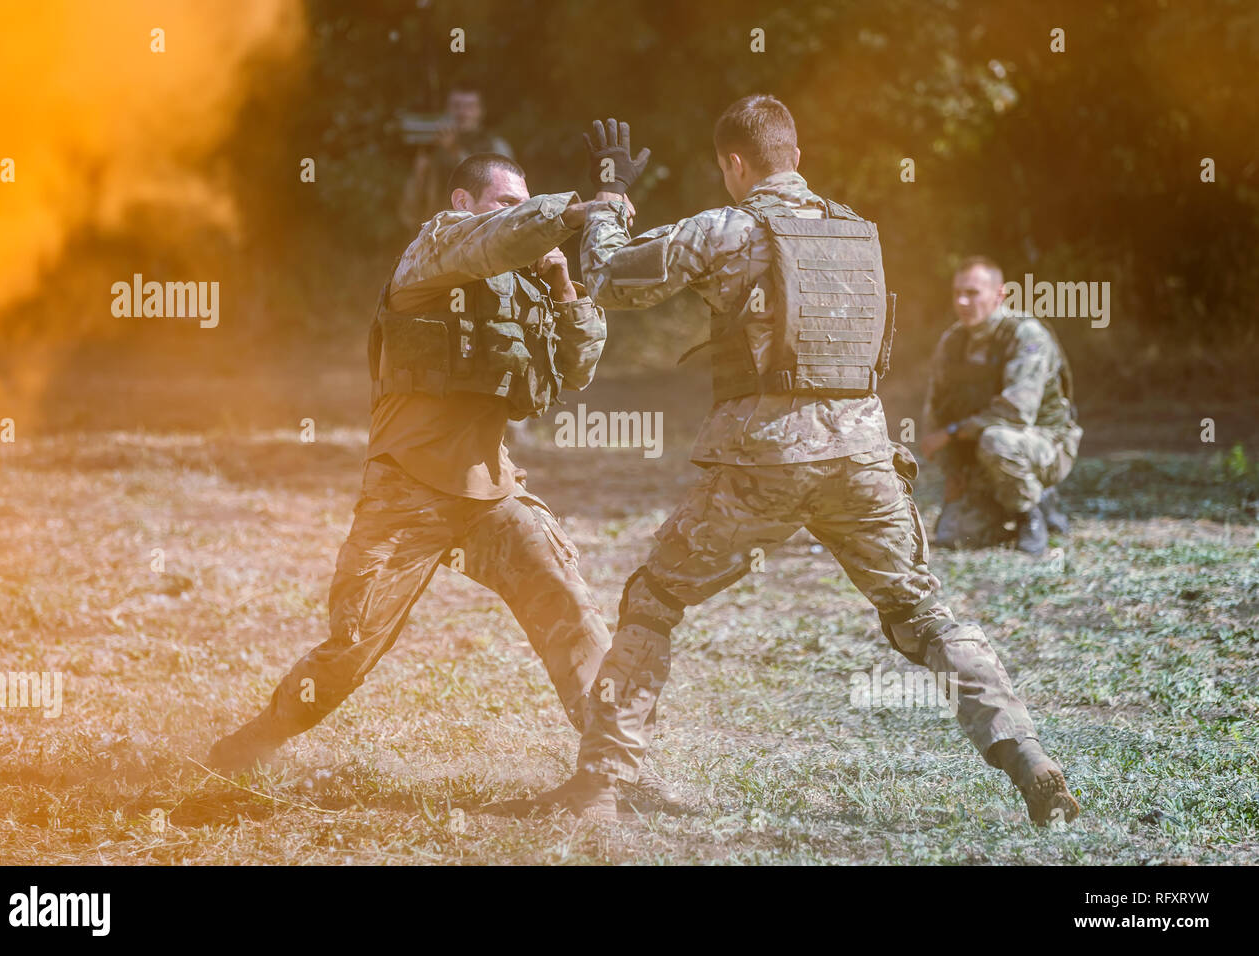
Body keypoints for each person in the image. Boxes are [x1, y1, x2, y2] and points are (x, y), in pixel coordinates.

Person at [528, 98, 1080, 826]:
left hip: (765, 461)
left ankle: (599, 784)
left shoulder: (730, 227)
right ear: (797, 152)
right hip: (864, 459)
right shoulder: (856, 231)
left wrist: (609, 200)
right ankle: (1028, 756)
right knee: (924, 611)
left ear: (735, 163)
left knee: (654, 599)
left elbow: (608, 276)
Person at [208, 154, 674, 809]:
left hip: (492, 495)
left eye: (524, 200)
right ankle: (249, 745)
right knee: (350, 648)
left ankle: (620, 771)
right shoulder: (435, 246)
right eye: (501, 200)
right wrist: (576, 211)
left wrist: (565, 286)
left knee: (571, 614)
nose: (515, 211)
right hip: (407, 493)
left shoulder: (526, 281)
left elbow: (577, 369)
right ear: (462, 200)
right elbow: (500, 236)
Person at [920, 256, 1081, 555]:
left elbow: (1015, 413)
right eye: (957, 293)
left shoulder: (1025, 335)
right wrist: (953, 473)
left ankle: (1030, 513)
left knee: (998, 440)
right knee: (953, 535)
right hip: (977, 450)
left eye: (972, 293)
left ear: (1000, 294)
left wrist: (952, 433)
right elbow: (935, 413)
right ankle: (1002, 502)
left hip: (1042, 443)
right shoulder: (953, 342)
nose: (963, 302)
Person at [399, 85, 515, 234]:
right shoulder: (433, 150)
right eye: (456, 106)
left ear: (481, 111)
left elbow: (501, 195)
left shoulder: (496, 147)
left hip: (482, 235)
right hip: (438, 236)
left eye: (469, 106)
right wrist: (420, 173)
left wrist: (455, 151)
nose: (462, 113)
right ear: (447, 110)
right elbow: (410, 210)